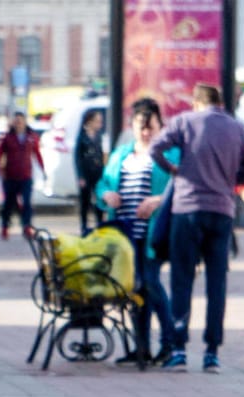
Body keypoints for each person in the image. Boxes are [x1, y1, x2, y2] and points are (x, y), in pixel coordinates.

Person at [150, 83, 244, 373]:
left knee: (182, 279)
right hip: (221, 211)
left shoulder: (184, 122)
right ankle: (212, 351)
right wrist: (229, 179)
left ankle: (178, 349)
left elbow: (156, 148)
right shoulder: (236, 128)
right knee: (217, 283)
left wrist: (173, 169)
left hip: (186, 209)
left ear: (197, 102)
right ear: (220, 103)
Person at [95, 98, 178, 367]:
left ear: (159, 126)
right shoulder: (121, 154)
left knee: (151, 283)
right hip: (124, 234)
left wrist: (159, 200)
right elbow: (102, 185)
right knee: (133, 289)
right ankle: (141, 346)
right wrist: (106, 194)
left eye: (150, 126)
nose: (145, 132)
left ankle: (170, 343)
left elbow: (182, 184)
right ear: (131, 126)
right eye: (140, 126)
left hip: (153, 233)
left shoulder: (170, 153)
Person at [0, 111, 46, 240]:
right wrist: (0, 169)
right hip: (10, 175)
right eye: (16, 121)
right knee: (8, 203)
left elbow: (37, 154)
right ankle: (5, 225)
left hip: (26, 175)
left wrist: (43, 169)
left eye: (21, 121)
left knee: (27, 202)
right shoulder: (7, 137)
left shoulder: (31, 137)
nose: (19, 124)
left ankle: (27, 226)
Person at [75, 108, 106, 235]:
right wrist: (80, 176)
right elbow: (77, 158)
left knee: (98, 198)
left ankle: (100, 224)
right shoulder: (81, 137)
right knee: (85, 201)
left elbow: (100, 154)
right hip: (86, 172)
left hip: (97, 172)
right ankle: (84, 226)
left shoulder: (99, 136)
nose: (99, 124)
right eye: (97, 121)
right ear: (90, 121)